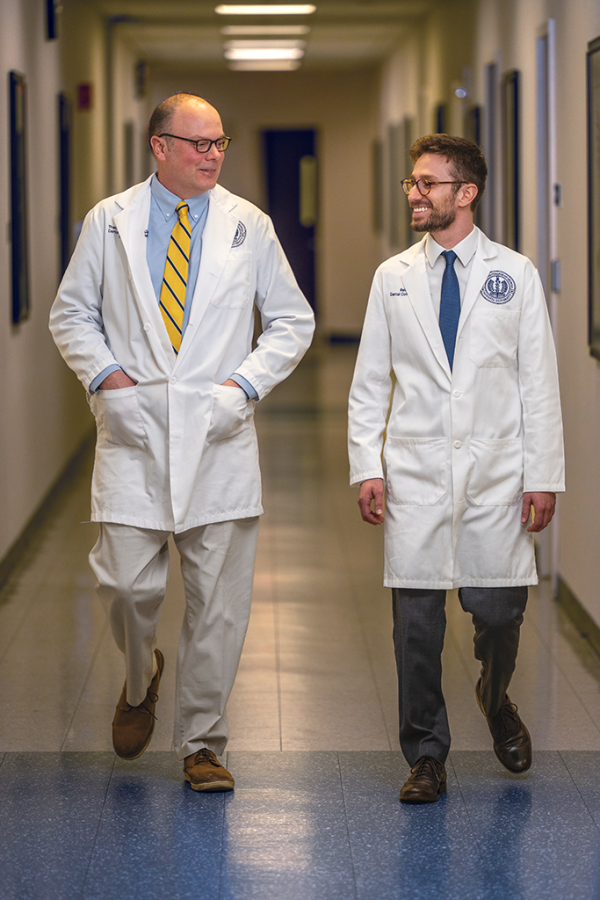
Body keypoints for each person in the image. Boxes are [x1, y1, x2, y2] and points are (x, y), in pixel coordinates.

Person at [50, 93, 314, 792]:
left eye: (220, 142)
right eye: (197, 143)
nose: (212, 155)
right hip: (134, 435)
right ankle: (141, 680)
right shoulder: (109, 222)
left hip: (218, 440)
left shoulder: (247, 226)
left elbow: (292, 322)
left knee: (218, 606)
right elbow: (71, 314)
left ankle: (203, 742)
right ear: (158, 147)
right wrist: (107, 376)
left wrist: (243, 389)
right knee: (126, 587)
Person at [348, 134, 564, 804]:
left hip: (497, 475)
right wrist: (367, 465)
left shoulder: (516, 275)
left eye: (427, 184)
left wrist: (542, 475)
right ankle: (427, 756)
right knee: (416, 625)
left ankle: (495, 698)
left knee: (499, 613)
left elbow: (539, 384)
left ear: (465, 193)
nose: (413, 194)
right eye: (411, 183)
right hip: (414, 472)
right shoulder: (392, 278)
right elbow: (367, 383)